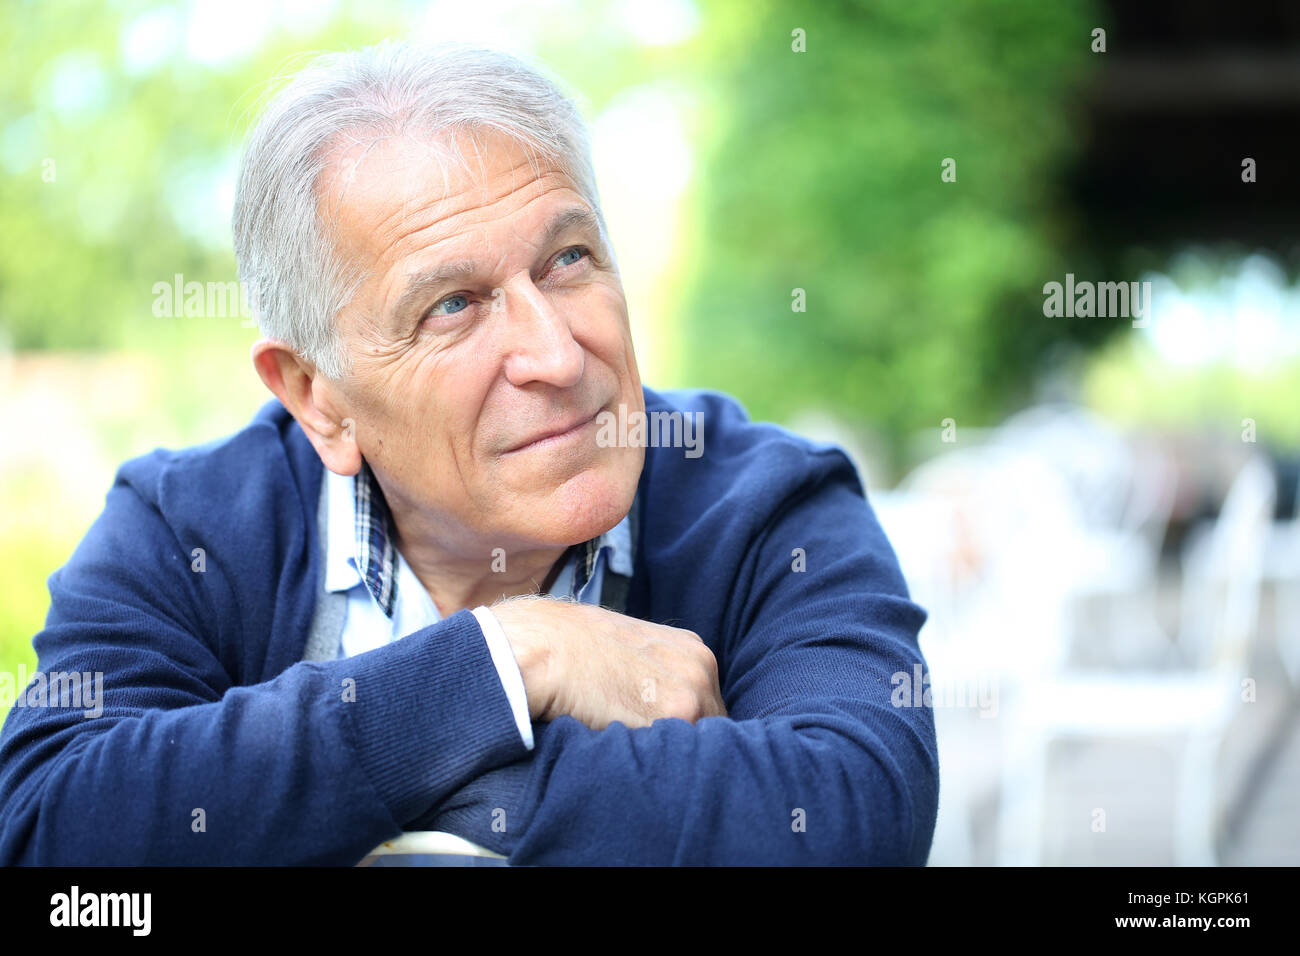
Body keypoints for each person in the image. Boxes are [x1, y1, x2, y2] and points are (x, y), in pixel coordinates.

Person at [0, 39, 937, 865]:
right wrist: (509, 660)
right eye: (452, 305)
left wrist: (325, 801)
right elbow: (50, 830)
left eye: (568, 259)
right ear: (317, 397)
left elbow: (852, 816)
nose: (558, 356)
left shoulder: (775, 506)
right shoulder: (188, 527)